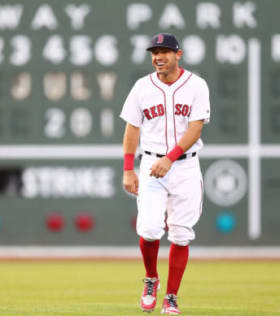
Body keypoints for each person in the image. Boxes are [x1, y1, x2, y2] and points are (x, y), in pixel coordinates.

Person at [120, 33, 210, 315]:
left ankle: (171, 297)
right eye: (154, 52)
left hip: (184, 165)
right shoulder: (141, 87)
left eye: (164, 51)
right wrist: (127, 169)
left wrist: (171, 159)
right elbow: (132, 129)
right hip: (151, 163)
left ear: (178, 55)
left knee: (181, 234)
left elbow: (196, 128)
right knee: (148, 229)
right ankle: (151, 279)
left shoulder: (196, 85)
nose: (158, 57)